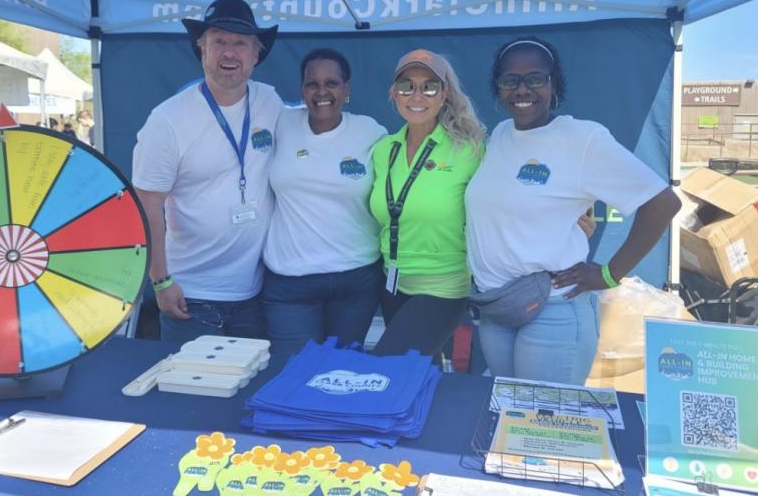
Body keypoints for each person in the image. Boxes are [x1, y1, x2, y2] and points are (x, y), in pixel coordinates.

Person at [465, 37, 681, 385]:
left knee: (544, 427)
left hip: (553, 309)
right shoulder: (500, 135)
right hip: (497, 308)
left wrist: (610, 274)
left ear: (554, 83)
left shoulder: (582, 139)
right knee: (508, 415)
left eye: (535, 78)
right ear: (498, 87)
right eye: (510, 80)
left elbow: (663, 203)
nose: (523, 89)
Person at [132, 0, 282, 342]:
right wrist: (161, 281)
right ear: (201, 50)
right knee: (190, 393)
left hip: (254, 295)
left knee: (248, 388)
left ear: (256, 54)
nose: (230, 53)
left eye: (240, 43)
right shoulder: (167, 120)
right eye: (219, 41)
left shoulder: (270, 102)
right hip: (190, 295)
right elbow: (147, 205)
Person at [262, 48, 387, 354]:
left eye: (331, 83)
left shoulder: (371, 132)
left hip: (355, 280)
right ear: (302, 90)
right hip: (290, 282)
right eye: (312, 84)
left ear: (347, 89)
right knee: (291, 374)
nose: (321, 92)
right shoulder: (281, 124)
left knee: (340, 376)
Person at [368, 49, 486, 359]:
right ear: (394, 93)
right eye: (407, 86)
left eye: (429, 86)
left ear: (444, 94)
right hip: (392, 284)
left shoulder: (470, 150)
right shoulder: (384, 149)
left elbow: (509, 195)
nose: (417, 95)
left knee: (389, 367)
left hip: (443, 287)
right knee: (417, 377)